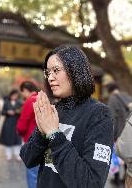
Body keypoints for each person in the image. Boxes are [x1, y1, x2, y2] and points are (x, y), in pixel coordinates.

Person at [20, 46, 113, 188]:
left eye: (56, 70)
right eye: (48, 72)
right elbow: (28, 159)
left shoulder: (99, 115)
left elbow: (91, 183)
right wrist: (41, 132)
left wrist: (54, 134)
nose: (50, 77)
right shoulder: (54, 109)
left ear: (76, 70)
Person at [107, 82, 131, 184]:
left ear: (110, 91)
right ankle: (123, 177)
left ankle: (116, 178)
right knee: (128, 154)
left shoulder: (113, 99)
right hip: (127, 131)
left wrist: (111, 135)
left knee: (116, 156)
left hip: (117, 133)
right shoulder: (128, 97)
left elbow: (112, 118)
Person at [17, 81, 39, 188]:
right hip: (44, 140)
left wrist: (20, 133)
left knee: (32, 173)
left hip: (31, 140)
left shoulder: (30, 101)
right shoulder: (43, 99)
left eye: (22, 92)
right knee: (41, 173)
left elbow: (22, 126)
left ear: (25, 90)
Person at [0, 89, 22, 161]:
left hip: (16, 122)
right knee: (8, 140)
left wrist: (16, 112)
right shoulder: (6, 102)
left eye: (16, 96)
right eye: (13, 95)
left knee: (17, 140)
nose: (15, 97)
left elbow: (22, 112)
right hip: (8, 123)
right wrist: (7, 112)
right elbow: (2, 112)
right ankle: (8, 155)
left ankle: (18, 155)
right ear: (10, 95)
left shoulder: (19, 103)